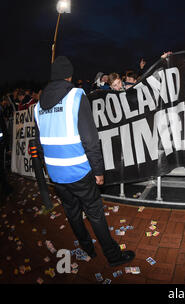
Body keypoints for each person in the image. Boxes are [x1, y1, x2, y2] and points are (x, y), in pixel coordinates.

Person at [33, 56, 135, 266]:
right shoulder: (75, 96)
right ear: (69, 76)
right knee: (95, 212)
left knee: (72, 212)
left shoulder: (37, 107)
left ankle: (87, 247)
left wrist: (49, 169)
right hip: (78, 170)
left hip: (56, 174)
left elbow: (39, 144)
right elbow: (90, 139)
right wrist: (98, 170)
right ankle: (113, 256)